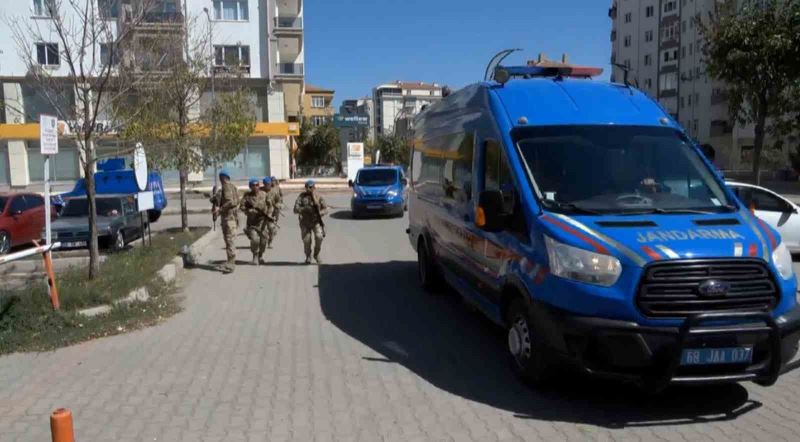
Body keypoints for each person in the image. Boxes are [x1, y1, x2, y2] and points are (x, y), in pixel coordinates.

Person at [210, 170, 240, 273]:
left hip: (228, 218)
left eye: (220, 177)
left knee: (229, 240)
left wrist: (220, 210)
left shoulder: (226, 187)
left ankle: (231, 264)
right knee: (229, 240)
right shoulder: (233, 187)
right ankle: (230, 261)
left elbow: (229, 202)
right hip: (232, 218)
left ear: (223, 177)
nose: (219, 179)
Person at [293, 180, 328, 264]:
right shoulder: (301, 197)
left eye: (312, 187)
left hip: (316, 221)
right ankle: (308, 256)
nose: (310, 189)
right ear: (305, 188)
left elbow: (326, 209)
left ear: (314, 187)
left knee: (319, 237)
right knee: (307, 240)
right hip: (305, 222)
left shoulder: (319, 196)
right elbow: (295, 210)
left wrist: (320, 213)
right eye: (308, 187)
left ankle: (316, 254)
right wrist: (304, 209)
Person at [240, 178, 273, 265]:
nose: (255, 187)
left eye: (257, 185)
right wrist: (248, 211)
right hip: (252, 223)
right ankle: (255, 256)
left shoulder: (264, 194)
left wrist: (269, 214)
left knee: (263, 241)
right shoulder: (247, 196)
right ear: (250, 186)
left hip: (262, 222)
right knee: (255, 240)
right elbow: (242, 206)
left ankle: (260, 256)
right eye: (253, 185)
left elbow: (270, 206)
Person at [260, 177, 282, 249]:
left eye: (269, 184)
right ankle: (261, 241)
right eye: (266, 184)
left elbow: (278, 201)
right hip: (261, 213)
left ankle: (270, 242)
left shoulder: (274, 191)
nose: (268, 185)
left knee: (271, 228)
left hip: (271, 213)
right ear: (264, 184)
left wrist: (277, 206)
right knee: (261, 229)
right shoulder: (260, 191)